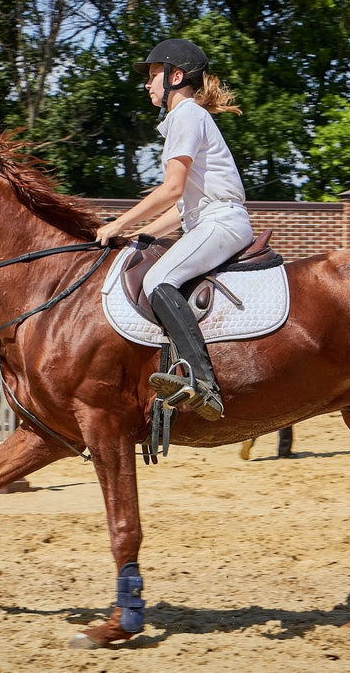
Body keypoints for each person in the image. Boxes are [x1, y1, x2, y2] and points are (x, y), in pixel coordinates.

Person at [96, 38, 253, 421]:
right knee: (156, 266)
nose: (148, 85)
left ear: (175, 76)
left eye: (153, 76)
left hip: (221, 221)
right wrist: (140, 235)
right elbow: (182, 211)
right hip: (208, 218)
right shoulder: (186, 118)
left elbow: (172, 189)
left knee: (157, 280)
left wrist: (117, 222)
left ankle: (203, 382)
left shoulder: (186, 114)